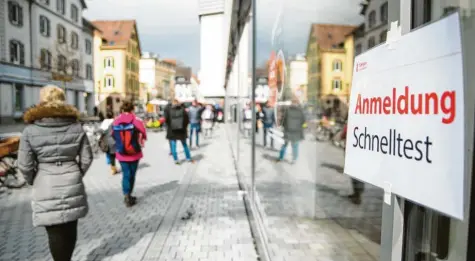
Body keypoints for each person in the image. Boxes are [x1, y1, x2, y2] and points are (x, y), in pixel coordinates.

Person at [18, 85, 93, 261]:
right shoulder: (76, 126)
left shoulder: (30, 130)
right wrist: (75, 173)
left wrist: (34, 180)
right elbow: (87, 158)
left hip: (45, 182)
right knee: (70, 228)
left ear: (42, 100)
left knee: (54, 232)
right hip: (71, 180)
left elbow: (25, 164)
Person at [112, 99, 147, 207]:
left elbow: (113, 134)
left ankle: (126, 194)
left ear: (122, 109)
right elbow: (144, 134)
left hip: (121, 153)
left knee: (126, 174)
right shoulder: (137, 121)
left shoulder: (116, 121)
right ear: (133, 109)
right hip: (134, 152)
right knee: (132, 174)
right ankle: (129, 194)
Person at [277, 96, 306, 164]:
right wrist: (302, 128)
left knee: (284, 145)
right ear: (297, 103)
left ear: (291, 103)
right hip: (296, 132)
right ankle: (294, 159)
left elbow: (283, 120)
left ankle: (281, 157)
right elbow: (303, 121)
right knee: (295, 146)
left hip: (288, 131)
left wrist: (283, 127)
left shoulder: (288, 110)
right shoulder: (300, 111)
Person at [165, 99, 194, 164]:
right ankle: (188, 158)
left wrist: (169, 126)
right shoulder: (183, 110)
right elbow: (187, 120)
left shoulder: (169, 111)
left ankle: (176, 159)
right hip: (181, 130)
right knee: (184, 145)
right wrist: (184, 127)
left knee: (173, 146)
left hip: (172, 130)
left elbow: (166, 120)